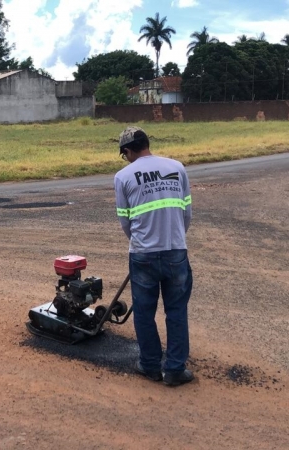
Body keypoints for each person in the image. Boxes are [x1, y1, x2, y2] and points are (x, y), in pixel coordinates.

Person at [114, 126, 194, 387]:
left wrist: (140, 242)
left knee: (144, 313)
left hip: (143, 254)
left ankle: (149, 366)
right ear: (147, 143)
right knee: (176, 311)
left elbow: (124, 221)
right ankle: (174, 370)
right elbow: (187, 212)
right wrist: (175, 238)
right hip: (176, 251)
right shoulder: (177, 167)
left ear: (127, 151)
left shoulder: (123, 176)